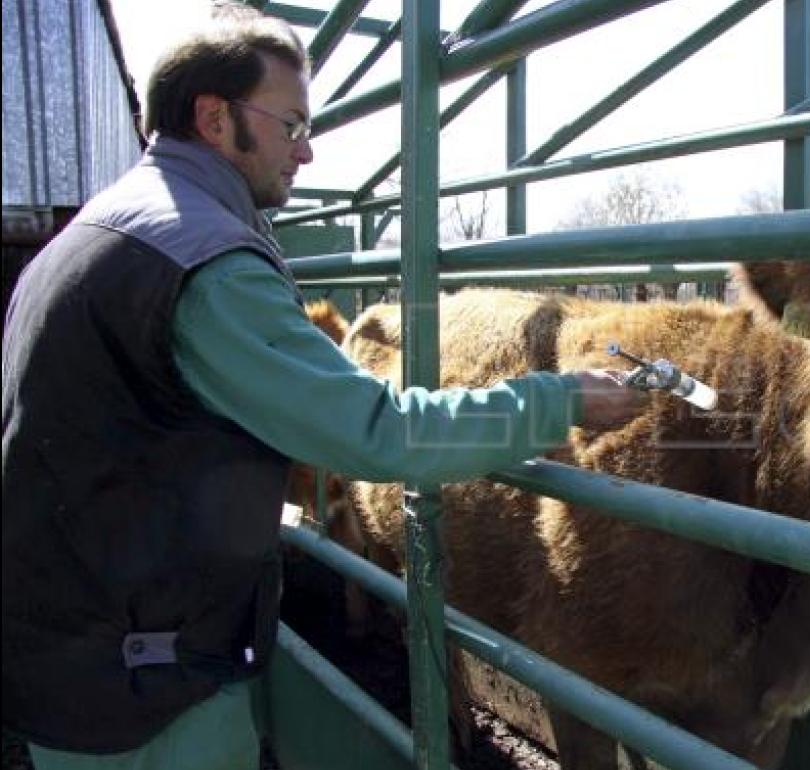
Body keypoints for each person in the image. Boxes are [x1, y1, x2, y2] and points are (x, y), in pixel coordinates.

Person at [0, 5, 644, 768]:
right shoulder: (205, 264)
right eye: (293, 125)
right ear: (214, 118)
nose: (305, 153)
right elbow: (377, 432)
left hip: (76, 659)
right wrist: (560, 400)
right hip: (148, 688)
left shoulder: (92, 234)